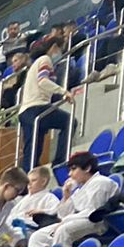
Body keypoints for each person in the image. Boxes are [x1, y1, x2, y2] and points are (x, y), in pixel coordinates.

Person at [27, 151, 118, 247]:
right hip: (76, 220)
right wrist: (66, 195)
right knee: (38, 236)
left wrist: (65, 221)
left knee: (63, 230)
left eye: (73, 169)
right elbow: (63, 215)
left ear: (87, 168)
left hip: (97, 223)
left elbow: (92, 212)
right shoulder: (80, 189)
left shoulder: (101, 182)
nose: (70, 174)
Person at [19, 34, 72, 169]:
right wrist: (63, 91)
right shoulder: (45, 60)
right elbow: (43, 81)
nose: (60, 53)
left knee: (33, 148)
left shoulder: (35, 64)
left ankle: (28, 174)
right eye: (60, 49)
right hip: (37, 107)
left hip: (26, 111)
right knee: (69, 122)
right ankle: (59, 161)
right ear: (54, 47)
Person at [7, 164, 59, 244]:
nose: (29, 184)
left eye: (33, 180)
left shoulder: (49, 197)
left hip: (30, 230)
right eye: (28, 181)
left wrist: (41, 211)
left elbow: (57, 209)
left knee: (12, 237)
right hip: (13, 227)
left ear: (43, 181)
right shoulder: (23, 199)